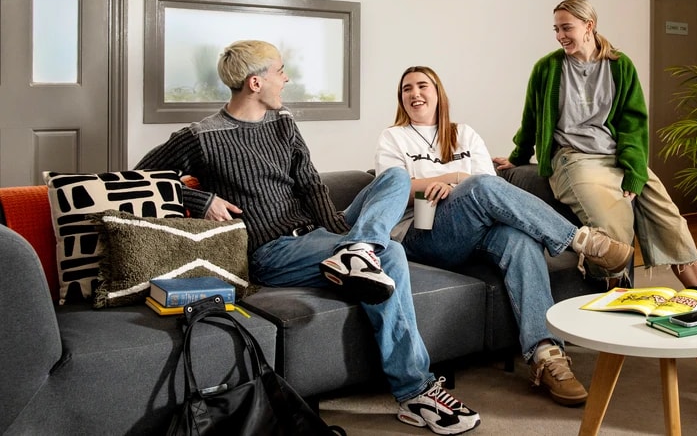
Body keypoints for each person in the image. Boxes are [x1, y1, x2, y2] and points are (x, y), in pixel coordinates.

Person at [135, 40, 480, 435]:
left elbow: (312, 187)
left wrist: (342, 234)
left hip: (319, 233)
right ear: (254, 82)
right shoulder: (200, 136)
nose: (286, 78)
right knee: (394, 255)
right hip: (273, 251)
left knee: (396, 177)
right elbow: (140, 178)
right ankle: (415, 391)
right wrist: (202, 198)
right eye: (279, 71)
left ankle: (357, 250)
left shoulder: (284, 124)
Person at [373, 66, 634, 406]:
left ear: (438, 93)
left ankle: (546, 354)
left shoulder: (464, 134)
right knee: (479, 186)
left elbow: (492, 188)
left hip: (476, 230)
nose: (415, 93)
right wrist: (453, 177)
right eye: (407, 89)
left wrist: (455, 185)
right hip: (423, 234)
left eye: (423, 86)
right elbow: (393, 189)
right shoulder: (393, 138)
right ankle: (583, 241)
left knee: (520, 241)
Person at [494, 0, 697, 293]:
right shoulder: (547, 68)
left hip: (616, 157)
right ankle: (615, 304)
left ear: (589, 26)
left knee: (673, 224)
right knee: (614, 227)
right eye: (556, 29)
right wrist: (517, 156)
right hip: (574, 159)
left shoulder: (620, 67)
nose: (560, 36)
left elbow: (633, 125)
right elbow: (531, 119)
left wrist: (636, 173)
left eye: (566, 28)